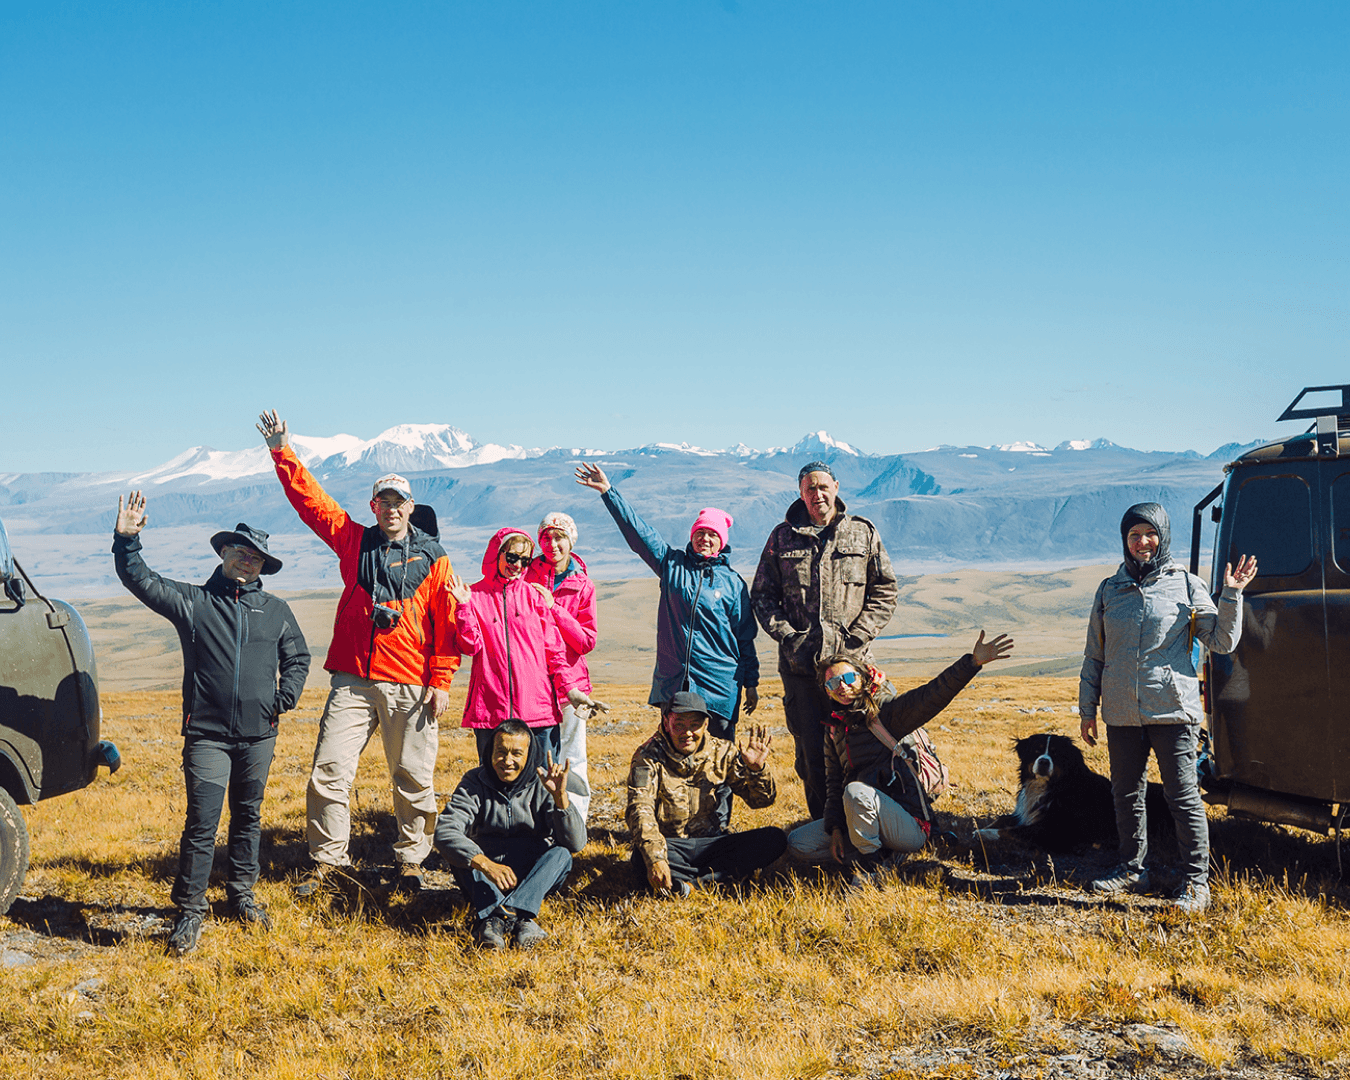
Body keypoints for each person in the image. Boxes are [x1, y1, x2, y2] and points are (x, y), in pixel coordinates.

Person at [258, 410, 458, 895]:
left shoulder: (436, 558)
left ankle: (412, 861)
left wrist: (441, 680)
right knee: (329, 771)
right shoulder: (354, 542)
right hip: (353, 680)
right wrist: (282, 451)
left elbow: (446, 625)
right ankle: (329, 862)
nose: (391, 509)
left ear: (411, 507)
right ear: (373, 506)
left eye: (398, 502)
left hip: (411, 681)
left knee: (413, 776)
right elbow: (312, 503)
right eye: (383, 501)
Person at [112, 492, 311, 955]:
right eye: (240, 551)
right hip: (207, 736)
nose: (247, 561)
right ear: (224, 552)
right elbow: (140, 579)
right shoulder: (195, 603)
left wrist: (282, 699)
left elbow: (298, 657)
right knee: (202, 822)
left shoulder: (276, 611)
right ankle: (189, 910)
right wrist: (127, 540)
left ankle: (241, 895)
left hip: (259, 736)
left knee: (248, 816)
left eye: (256, 557)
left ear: (263, 566)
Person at [1080, 502, 1257, 913]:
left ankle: (1196, 882)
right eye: (1134, 535)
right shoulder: (1109, 590)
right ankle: (1132, 870)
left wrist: (1231, 594)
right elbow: (1094, 655)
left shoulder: (1187, 585)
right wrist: (1087, 709)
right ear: (1125, 541)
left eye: (1150, 534)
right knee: (1126, 793)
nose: (1142, 542)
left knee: (1182, 796)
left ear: (1162, 537)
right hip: (1121, 712)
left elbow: (1221, 641)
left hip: (1173, 711)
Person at [787, 633, 1013, 886]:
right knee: (799, 843)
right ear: (827, 691)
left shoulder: (886, 713)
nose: (842, 686)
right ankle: (883, 853)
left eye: (848, 678)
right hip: (862, 815)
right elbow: (833, 784)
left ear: (863, 678)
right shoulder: (834, 729)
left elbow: (931, 696)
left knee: (856, 792)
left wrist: (971, 663)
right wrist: (836, 829)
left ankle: (870, 871)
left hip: (909, 824)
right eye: (832, 683)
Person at [751, 461, 898, 819]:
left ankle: (869, 826)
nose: (817, 494)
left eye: (822, 487)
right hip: (801, 671)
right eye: (810, 488)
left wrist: (857, 638)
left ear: (836, 487)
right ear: (801, 493)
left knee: (867, 745)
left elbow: (885, 590)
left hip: (853, 671)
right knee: (811, 755)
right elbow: (763, 596)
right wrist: (789, 637)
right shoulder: (782, 538)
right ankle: (824, 827)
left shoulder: (862, 533)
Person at [575, 462, 758, 741]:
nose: (704, 539)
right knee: (673, 752)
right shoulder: (671, 564)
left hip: (719, 687)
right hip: (675, 683)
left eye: (712, 535)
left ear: (721, 542)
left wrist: (752, 683)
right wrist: (608, 492)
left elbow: (744, 638)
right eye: (700, 533)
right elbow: (639, 534)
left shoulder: (733, 583)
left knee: (719, 758)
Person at [448, 528, 602, 766]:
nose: (518, 566)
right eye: (512, 557)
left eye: (525, 560)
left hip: (538, 712)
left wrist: (570, 690)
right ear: (497, 554)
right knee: (494, 778)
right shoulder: (474, 596)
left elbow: (554, 653)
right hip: (491, 711)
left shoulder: (534, 596)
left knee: (543, 780)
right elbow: (470, 646)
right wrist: (464, 608)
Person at [435, 719, 585, 949]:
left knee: (561, 854)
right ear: (490, 752)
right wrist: (485, 864)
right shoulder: (474, 781)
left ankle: (496, 919)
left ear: (529, 755)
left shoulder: (543, 782)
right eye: (501, 752)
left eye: (516, 753)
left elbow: (576, 843)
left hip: (532, 876)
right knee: (462, 857)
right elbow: (445, 830)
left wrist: (560, 799)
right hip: (487, 874)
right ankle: (519, 920)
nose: (507, 761)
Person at [626, 691, 786, 895]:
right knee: (643, 859)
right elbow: (640, 809)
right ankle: (719, 878)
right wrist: (656, 858)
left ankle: (690, 885)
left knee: (774, 838)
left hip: (711, 843)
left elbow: (760, 801)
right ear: (666, 723)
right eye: (679, 725)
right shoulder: (647, 756)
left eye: (695, 725)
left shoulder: (723, 751)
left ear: (706, 725)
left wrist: (756, 771)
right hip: (671, 845)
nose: (687, 733)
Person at [523, 512, 601, 821]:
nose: (552, 544)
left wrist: (554, 608)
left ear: (571, 541)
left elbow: (585, 641)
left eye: (559, 537)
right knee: (536, 755)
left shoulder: (583, 585)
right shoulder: (525, 575)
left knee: (573, 755)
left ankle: (574, 821)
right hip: (534, 682)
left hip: (571, 685)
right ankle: (539, 820)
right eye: (546, 537)